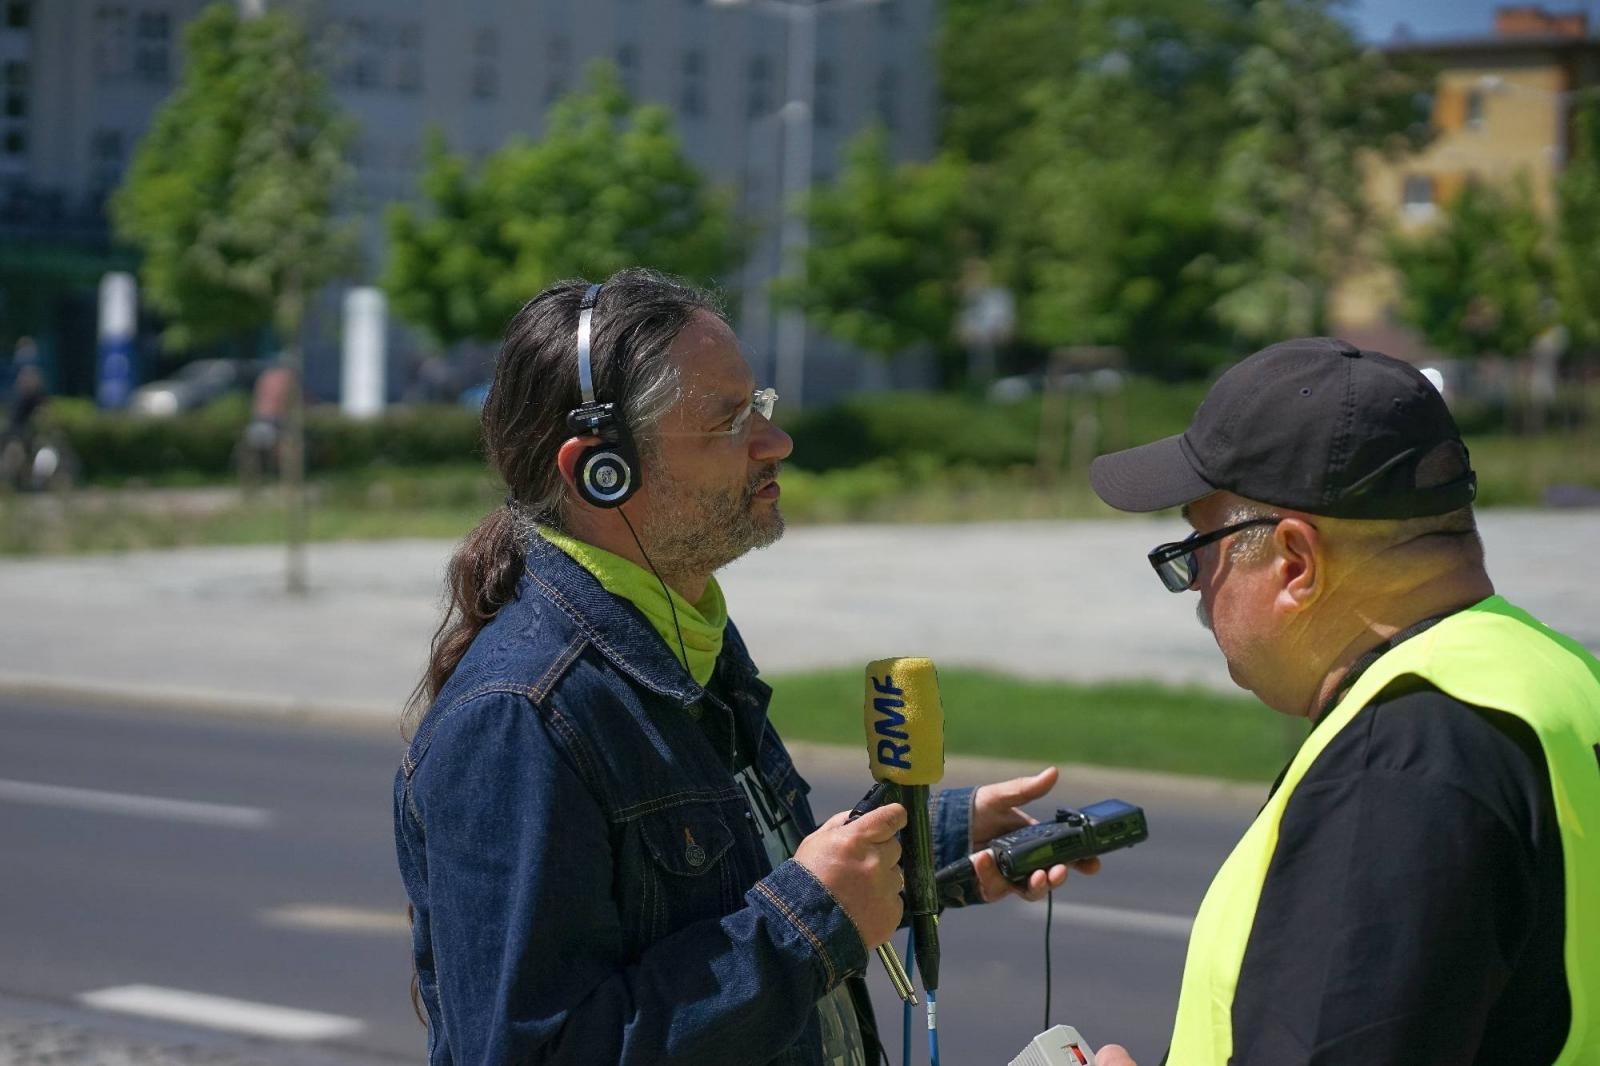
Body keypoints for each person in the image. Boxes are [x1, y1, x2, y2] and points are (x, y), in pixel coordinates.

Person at [393, 268, 1087, 1066]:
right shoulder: (521, 716)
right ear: (601, 470)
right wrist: (810, 919)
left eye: (759, 407)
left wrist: (935, 847)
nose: (776, 442)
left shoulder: (684, 636)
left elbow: (721, 898)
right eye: (728, 423)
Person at [1082, 337, 1600, 1066]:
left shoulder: (1397, 765)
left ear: (1295, 561)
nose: (1196, 585)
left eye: (1197, 550)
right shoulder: (1558, 677)